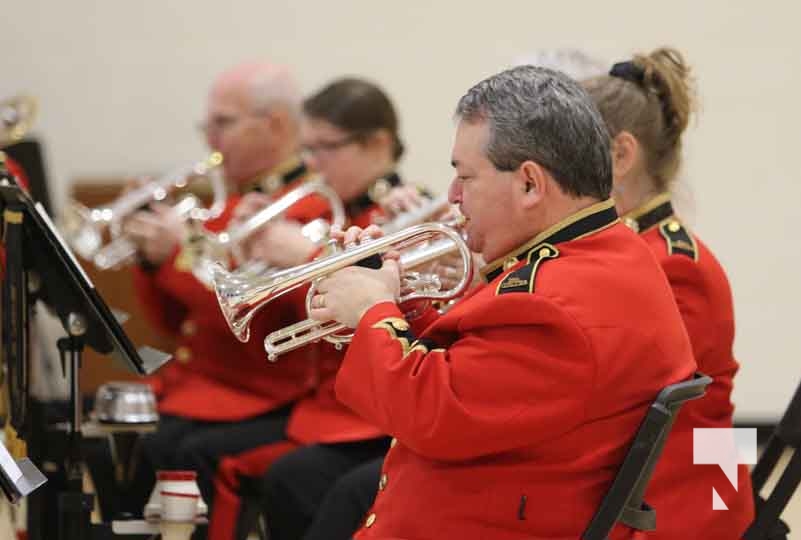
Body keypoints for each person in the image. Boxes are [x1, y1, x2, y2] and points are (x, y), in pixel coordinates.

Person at [305, 65, 697, 539]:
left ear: (530, 184)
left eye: (465, 177)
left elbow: (431, 415)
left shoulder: (553, 302)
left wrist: (372, 312)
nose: (451, 196)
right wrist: (399, 299)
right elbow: (479, 375)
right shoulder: (601, 256)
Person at [122, 61, 318, 519]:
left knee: (167, 447)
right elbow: (172, 324)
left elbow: (238, 317)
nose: (210, 138)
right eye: (207, 124)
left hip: (258, 393)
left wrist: (173, 255)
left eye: (223, 123)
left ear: (276, 124)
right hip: (205, 387)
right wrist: (152, 261)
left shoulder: (303, 208)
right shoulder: (225, 202)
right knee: (118, 433)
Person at [222, 77, 412, 540]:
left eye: (325, 148)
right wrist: (250, 253)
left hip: (364, 421)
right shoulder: (326, 214)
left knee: (297, 480)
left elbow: (372, 315)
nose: (311, 164)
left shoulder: (400, 214)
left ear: (378, 144)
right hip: (320, 409)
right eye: (307, 149)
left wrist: (304, 261)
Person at [582, 47, 755, 538]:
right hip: (657, 478)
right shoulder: (638, 248)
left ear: (620, 155)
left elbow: (614, 400)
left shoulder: (674, 264)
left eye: (568, 156)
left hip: (687, 494)